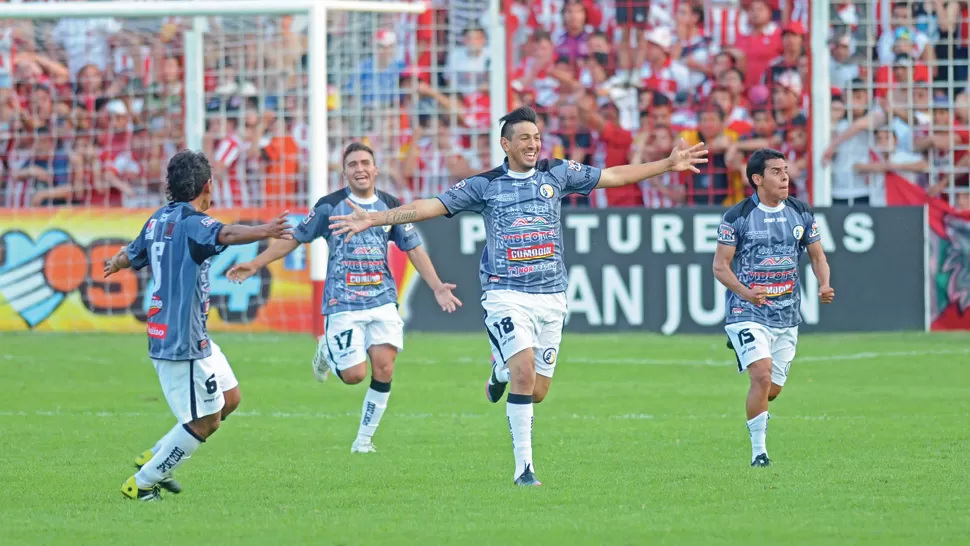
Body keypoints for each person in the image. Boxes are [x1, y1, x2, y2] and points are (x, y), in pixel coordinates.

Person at [328, 107, 708, 486]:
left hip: (551, 297)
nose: (533, 144)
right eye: (524, 138)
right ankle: (524, 469)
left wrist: (666, 164)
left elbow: (612, 175)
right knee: (524, 373)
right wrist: (375, 217)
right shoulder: (485, 185)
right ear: (505, 144)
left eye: (537, 137)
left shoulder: (556, 173)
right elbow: (430, 206)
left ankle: (499, 369)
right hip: (505, 294)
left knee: (538, 391)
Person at [227, 142, 461, 453]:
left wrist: (436, 286)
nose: (360, 169)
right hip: (343, 302)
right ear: (344, 172)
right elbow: (295, 239)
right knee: (354, 376)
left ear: (375, 169)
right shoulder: (328, 207)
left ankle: (363, 441)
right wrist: (256, 263)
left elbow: (413, 248)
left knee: (385, 367)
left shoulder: (390, 205)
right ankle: (326, 350)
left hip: (382, 300)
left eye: (365, 162)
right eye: (353, 164)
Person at [103, 150, 293, 501]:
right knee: (207, 421)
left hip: (190, 335)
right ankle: (143, 483)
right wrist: (266, 229)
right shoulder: (193, 223)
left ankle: (158, 454)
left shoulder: (158, 219)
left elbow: (132, 252)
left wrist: (115, 262)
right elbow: (227, 233)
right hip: (181, 341)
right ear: (207, 185)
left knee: (230, 399)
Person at [712, 148, 835, 468]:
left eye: (785, 170)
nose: (785, 177)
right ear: (757, 179)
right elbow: (721, 267)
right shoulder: (736, 217)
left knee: (773, 389)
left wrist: (823, 283)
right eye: (777, 172)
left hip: (787, 313)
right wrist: (746, 293)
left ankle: (755, 375)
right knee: (761, 376)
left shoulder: (801, 212)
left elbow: (818, 256)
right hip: (747, 310)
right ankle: (759, 453)